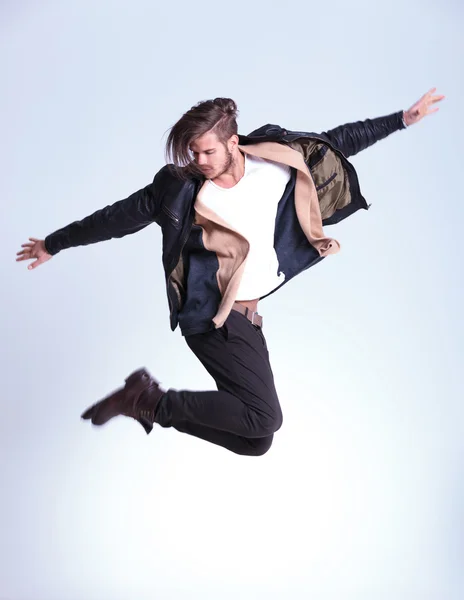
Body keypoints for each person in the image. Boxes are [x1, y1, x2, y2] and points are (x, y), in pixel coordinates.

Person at [16, 89, 444, 456]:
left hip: (248, 320)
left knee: (255, 440)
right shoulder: (180, 190)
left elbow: (339, 140)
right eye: (193, 152)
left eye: (208, 150)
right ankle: (147, 400)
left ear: (233, 142)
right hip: (212, 318)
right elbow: (114, 218)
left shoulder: (277, 163)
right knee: (265, 417)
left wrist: (403, 120)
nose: (199, 160)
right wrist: (54, 243)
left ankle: (147, 402)